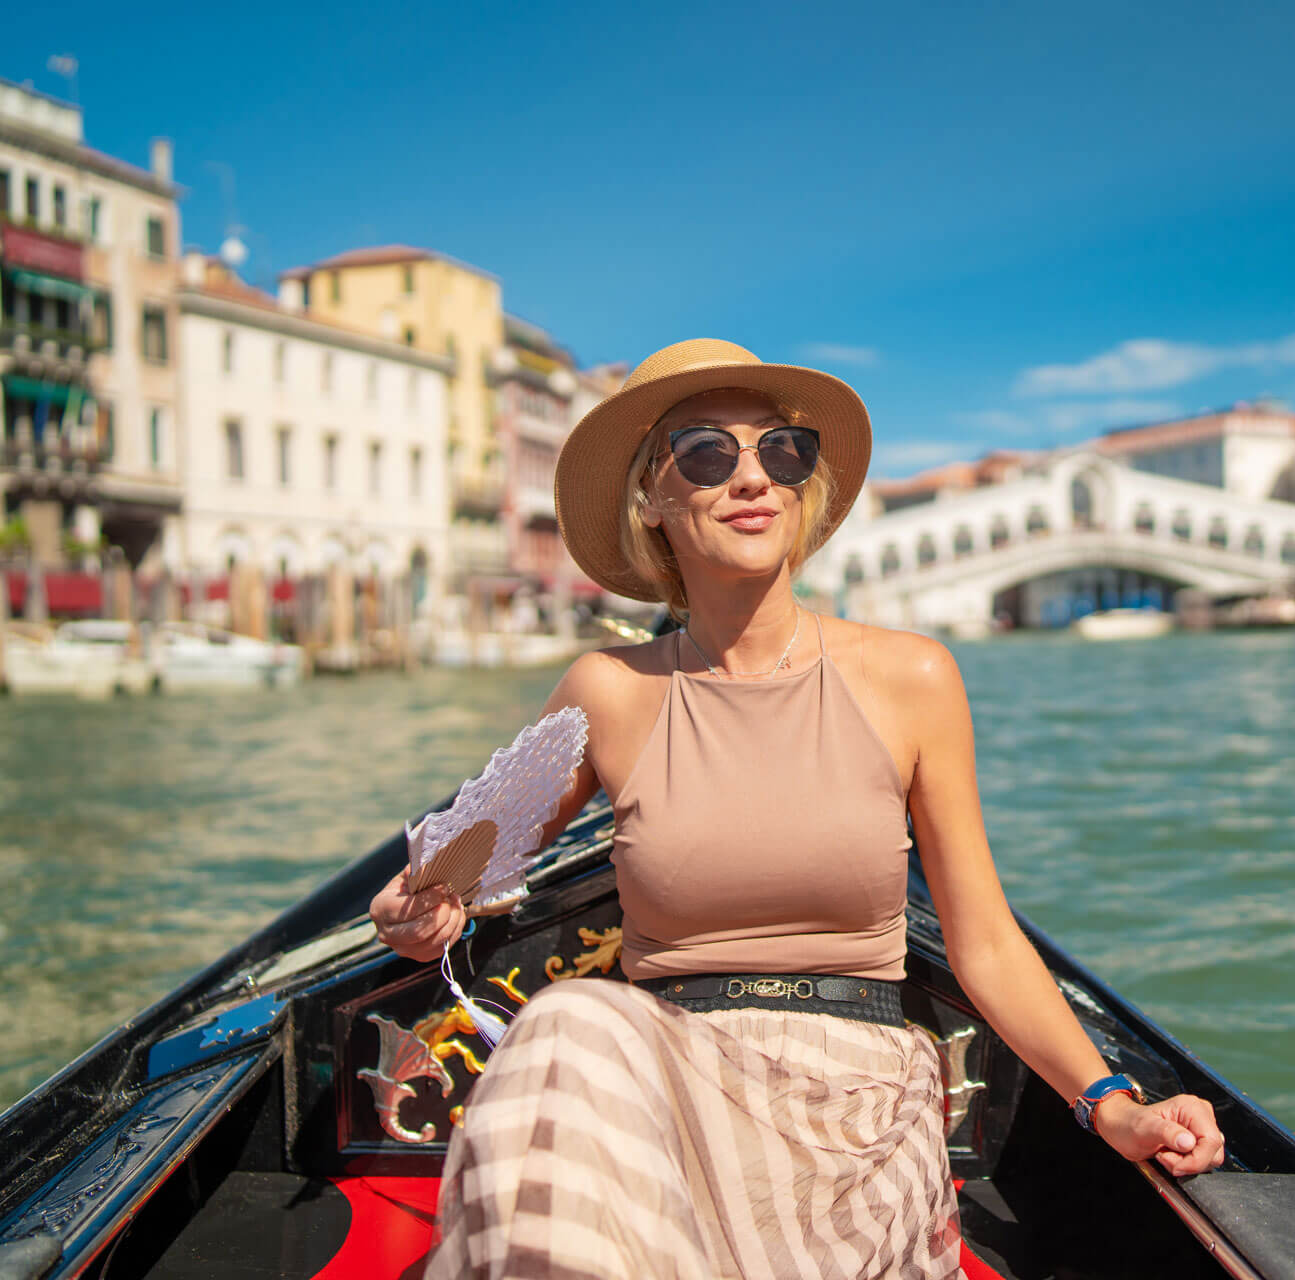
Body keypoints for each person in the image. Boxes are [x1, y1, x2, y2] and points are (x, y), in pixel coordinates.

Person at [370, 340, 1225, 1278]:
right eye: (706, 453)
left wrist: (1112, 1102)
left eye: (780, 452)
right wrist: (415, 915)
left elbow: (983, 940)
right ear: (652, 497)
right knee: (565, 1023)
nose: (751, 479)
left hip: (855, 1102)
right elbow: (456, 878)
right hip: (666, 1078)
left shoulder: (912, 677)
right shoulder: (608, 689)